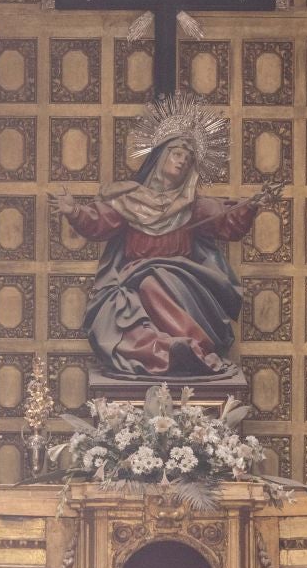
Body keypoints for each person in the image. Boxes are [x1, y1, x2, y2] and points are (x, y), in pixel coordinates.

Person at [49, 104, 280, 381]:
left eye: (188, 159)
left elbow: (227, 222)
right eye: (177, 154)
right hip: (132, 277)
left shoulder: (192, 205)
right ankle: (165, 350)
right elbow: (101, 223)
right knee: (117, 311)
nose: (182, 161)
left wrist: (252, 205)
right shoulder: (131, 198)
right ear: (161, 157)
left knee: (152, 280)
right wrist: (74, 211)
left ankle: (189, 345)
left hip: (180, 277)